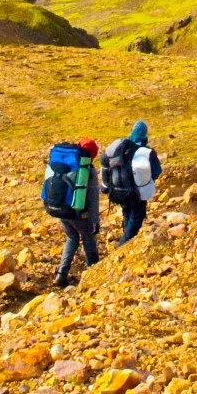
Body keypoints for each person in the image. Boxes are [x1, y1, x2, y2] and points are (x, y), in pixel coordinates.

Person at [102, 120, 162, 245]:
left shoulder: (121, 149)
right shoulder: (145, 152)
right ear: (145, 135)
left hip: (117, 192)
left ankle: (125, 241)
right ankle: (123, 246)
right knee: (136, 218)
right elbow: (156, 172)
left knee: (127, 213)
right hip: (135, 193)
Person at [51, 138, 100, 288]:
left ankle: (61, 274)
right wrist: (95, 221)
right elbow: (92, 199)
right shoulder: (87, 171)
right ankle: (94, 273)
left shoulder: (66, 163)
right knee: (88, 238)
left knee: (71, 237)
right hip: (77, 212)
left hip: (60, 208)